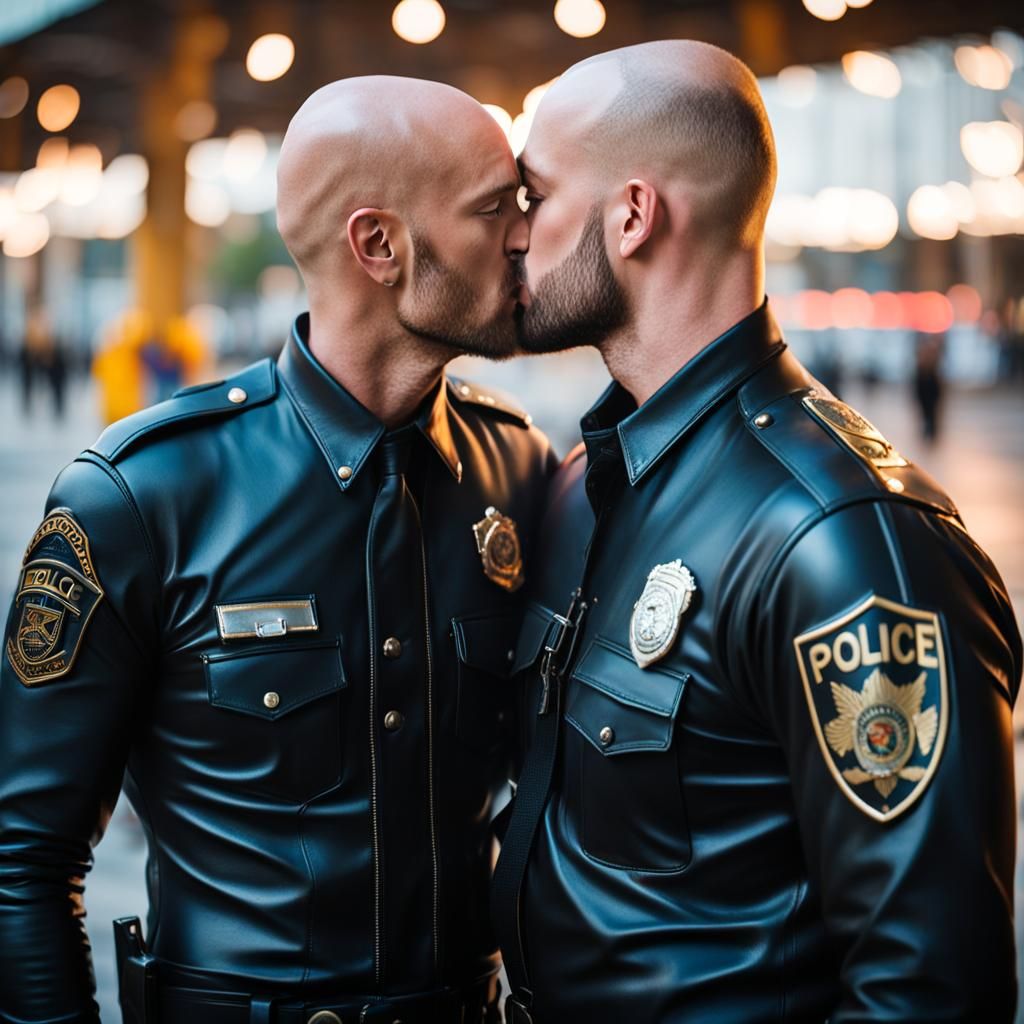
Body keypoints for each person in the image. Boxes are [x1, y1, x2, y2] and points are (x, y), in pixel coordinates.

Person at [0, 76, 555, 1023]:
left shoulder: (520, 470)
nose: (525, 235)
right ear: (378, 245)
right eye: (496, 207)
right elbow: (23, 860)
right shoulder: (142, 495)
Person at [492, 40, 1021, 1023]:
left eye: (535, 195)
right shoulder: (580, 486)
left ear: (633, 214)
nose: (512, 234)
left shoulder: (847, 539)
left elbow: (927, 988)